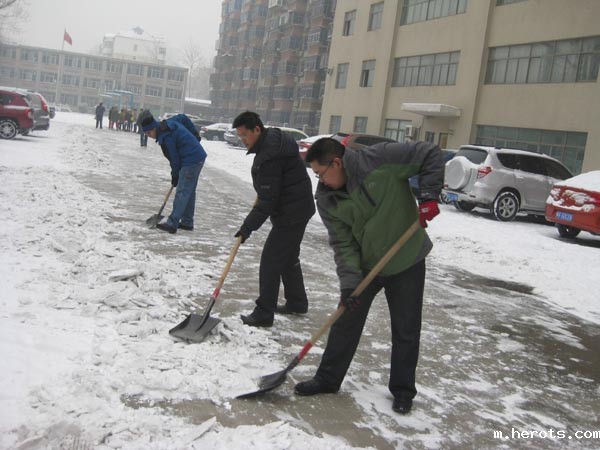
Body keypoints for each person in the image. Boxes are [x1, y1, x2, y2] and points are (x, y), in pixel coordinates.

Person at [294, 137, 444, 415]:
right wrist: (350, 285)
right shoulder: (327, 199)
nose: (321, 181)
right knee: (345, 319)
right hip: (366, 265)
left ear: (336, 163)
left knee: (406, 328)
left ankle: (403, 391)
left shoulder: (380, 160)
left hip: (407, 258)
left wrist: (429, 196)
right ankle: (327, 379)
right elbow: (343, 244)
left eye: (321, 174)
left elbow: (429, 152)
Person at [232, 111, 315, 327]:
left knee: (271, 260)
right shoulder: (272, 142)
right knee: (287, 256)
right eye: (239, 135)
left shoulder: (269, 155)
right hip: (298, 206)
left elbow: (267, 201)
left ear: (257, 129)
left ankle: (264, 312)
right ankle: (297, 302)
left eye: (244, 135)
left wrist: (247, 228)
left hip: (292, 212)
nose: (242, 139)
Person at [141, 113, 207, 233]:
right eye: (146, 134)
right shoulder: (167, 123)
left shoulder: (166, 137)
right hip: (197, 157)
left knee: (182, 191)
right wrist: (194, 135)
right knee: (189, 191)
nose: (149, 136)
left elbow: (174, 158)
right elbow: (183, 117)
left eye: (149, 133)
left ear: (154, 128)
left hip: (191, 159)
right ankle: (187, 222)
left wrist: (175, 175)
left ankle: (172, 223)